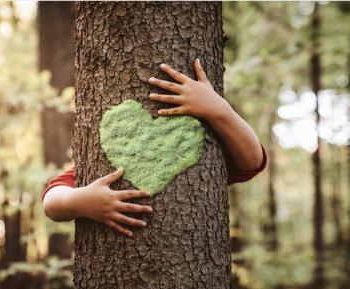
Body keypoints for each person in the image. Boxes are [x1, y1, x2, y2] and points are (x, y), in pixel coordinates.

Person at [42, 58, 266, 237]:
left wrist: (218, 110)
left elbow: (252, 161)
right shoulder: (103, 163)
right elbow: (52, 200)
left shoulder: (211, 152)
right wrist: (80, 201)